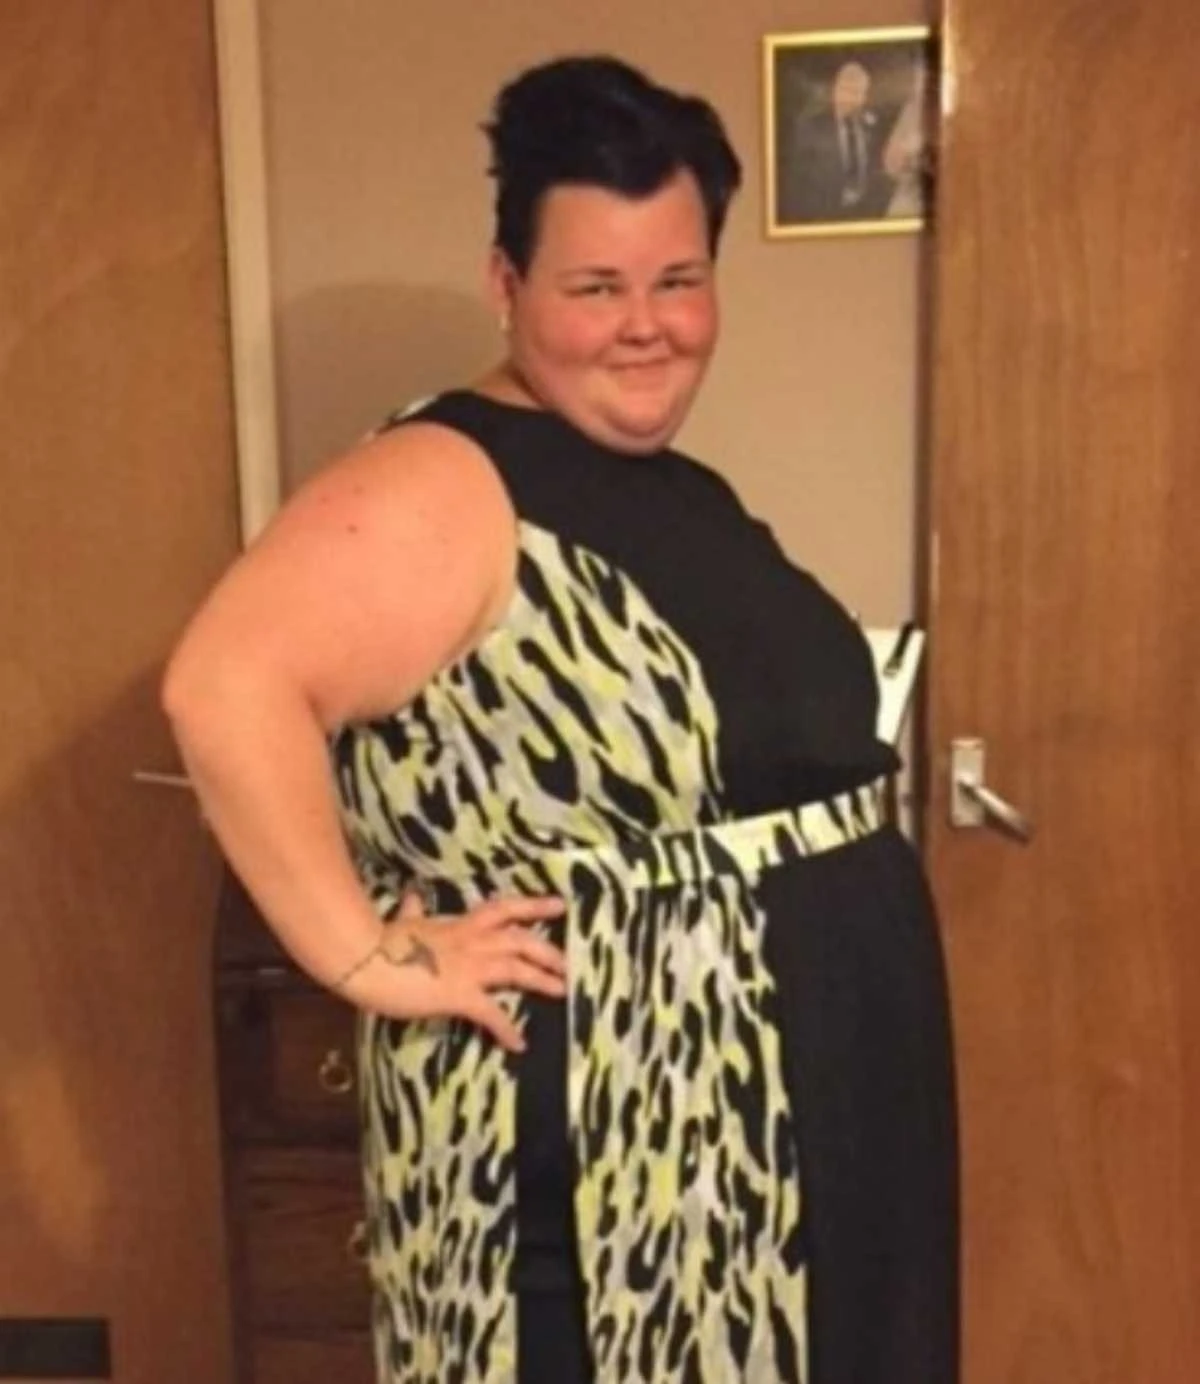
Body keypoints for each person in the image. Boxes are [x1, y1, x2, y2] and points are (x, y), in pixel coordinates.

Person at [164, 55, 958, 1384]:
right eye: (595, 287)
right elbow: (223, 685)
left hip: (786, 1090)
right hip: (633, 1131)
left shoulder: (666, 484)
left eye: (678, 279)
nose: (646, 325)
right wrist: (368, 958)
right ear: (507, 283)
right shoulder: (443, 477)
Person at [780, 59, 893, 224]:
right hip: (823, 217)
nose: (853, 99)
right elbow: (797, 183)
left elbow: (877, 171)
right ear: (836, 90)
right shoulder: (810, 127)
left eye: (859, 92)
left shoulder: (872, 126)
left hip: (864, 217)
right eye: (848, 91)